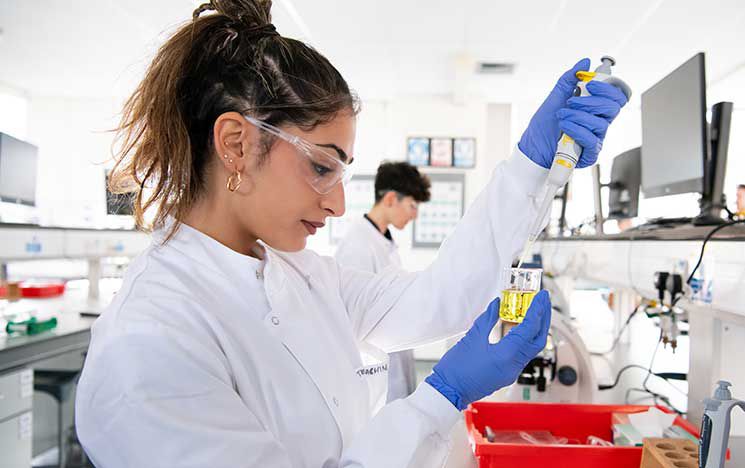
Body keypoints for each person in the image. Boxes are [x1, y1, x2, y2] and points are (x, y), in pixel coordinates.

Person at [74, 1, 628, 466]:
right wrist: (442, 397)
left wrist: (531, 166)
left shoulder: (298, 273)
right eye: (321, 167)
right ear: (237, 144)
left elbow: (437, 299)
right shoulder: (148, 345)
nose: (338, 204)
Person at [335, 162, 431, 403]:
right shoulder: (358, 246)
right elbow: (357, 316)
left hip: (394, 360)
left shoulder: (383, 242)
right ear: (390, 199)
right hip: (373, 370)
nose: (415, 214)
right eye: (412, 205)